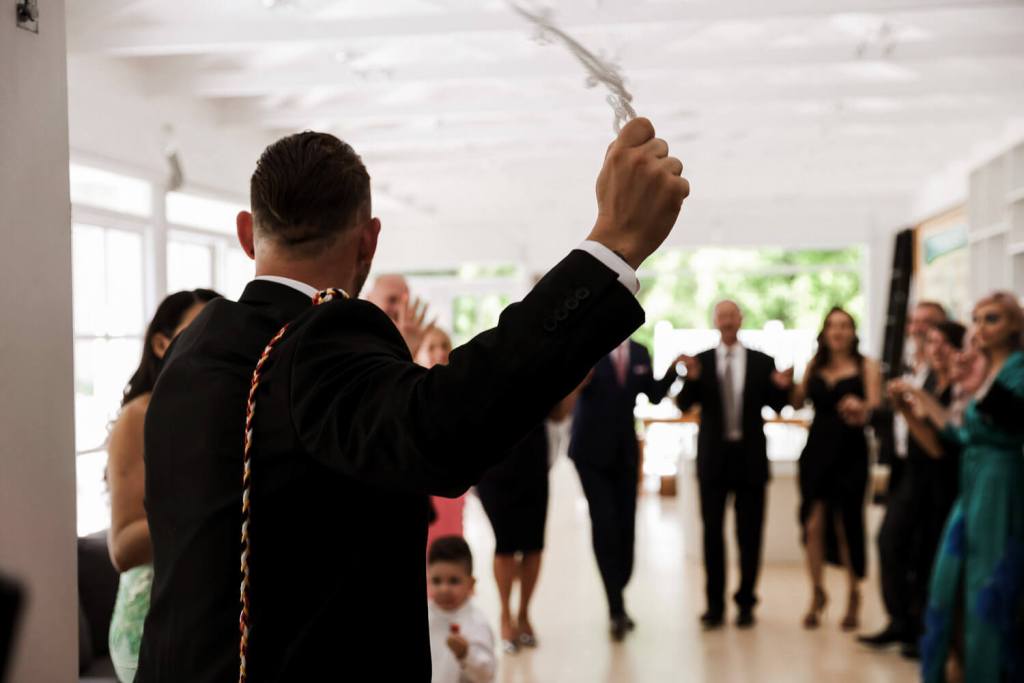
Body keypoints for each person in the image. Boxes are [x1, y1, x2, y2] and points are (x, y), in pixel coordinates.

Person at [135, 119, 689, 682]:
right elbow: (445, 425)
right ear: (368, 240)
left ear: (247, 233)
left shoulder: (191, 350)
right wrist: (611, 247)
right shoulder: (319, 338)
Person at [105, 289, 220, 682]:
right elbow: (122, 548)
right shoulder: (137, 417)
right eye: (200, 331)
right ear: (160, 343)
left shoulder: (223, 407)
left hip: (208, 621)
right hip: (150, 623)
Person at [915, 292, 1024, 683]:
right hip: (973, 483)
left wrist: (973, 382)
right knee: (947, 580)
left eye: (991, 319)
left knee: (988, 583)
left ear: (1014, 325)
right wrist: (918, 402)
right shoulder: (987, 371)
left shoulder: (1017, 369)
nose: (980, 328)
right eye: (976, 319)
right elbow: (963, 435)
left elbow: (1011, 418)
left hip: (1000, 484)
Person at [675, 300, 793, 630]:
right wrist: (692, 379)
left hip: (750, 460)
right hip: (713, 461)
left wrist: (784, 386)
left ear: (740, 319)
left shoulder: (761, 361)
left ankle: (745, 603)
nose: (727, 321)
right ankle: (714, 605)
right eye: (721, 316)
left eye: (732, 315)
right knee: (712, 535)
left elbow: (779, 405)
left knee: (750, 535)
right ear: (715, 321)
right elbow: (685, 404)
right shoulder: (701, 361)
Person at [861, 321, 965, 657]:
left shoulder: (956, 385)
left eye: (940, 342)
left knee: (926, 553)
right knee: (892, 543)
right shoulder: (931, 378)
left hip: (942, 480)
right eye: (928, 340)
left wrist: (908, 410)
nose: (933, 348)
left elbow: (937, 447)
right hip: (913, 473)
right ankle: (902, 621)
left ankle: (922, 629)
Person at [569, 336, 681, 640]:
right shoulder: (588, 347)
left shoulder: (641, 352)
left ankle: (619, 588)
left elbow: (654, 395)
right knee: (604, 523)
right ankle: (616, 607)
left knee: (626, 525)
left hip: (625, 454)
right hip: (589, 453)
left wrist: (674, 370)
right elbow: (567, 392)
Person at [791, 307, 881, 631]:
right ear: (825, 332)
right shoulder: (814, 365)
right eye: (832, 326)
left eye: (844, 326)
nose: (838, 331)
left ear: (853, 332)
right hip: (816, 450)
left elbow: (875, 406)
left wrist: (862, 407)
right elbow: (798, 401)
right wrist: (787, 384)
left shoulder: (865, 365)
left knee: (848, 524)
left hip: (852, 450)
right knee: (812, 524)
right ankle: (817, 593)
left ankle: (854, 593)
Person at [475, 390, 576, 653]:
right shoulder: (483, 360)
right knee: (506, 544)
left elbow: (558, 413)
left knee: (533, 544)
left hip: (532, 459)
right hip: (492, 463)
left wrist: (576, 385)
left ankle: (524, 614)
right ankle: (505, 616)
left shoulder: (538, 360)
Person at [418, 329, 467, 548]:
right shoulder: (410, 390)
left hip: (452, 485)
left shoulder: (459, 390)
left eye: (444, 345)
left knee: (452, 543)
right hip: (423, 485)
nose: (439, 352)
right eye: (431, 347)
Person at [427, 536, 496, 683]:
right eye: (436, 581)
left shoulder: (477, 623)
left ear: (471, 584)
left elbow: (487, 674)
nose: (444, 589)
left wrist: (466, 654)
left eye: (454, 581)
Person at [365, 272, 434, 356]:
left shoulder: (416, 341)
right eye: (392, 300)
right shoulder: (355, 338)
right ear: (369, 298)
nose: (400, 308)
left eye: (405, 302)